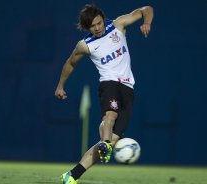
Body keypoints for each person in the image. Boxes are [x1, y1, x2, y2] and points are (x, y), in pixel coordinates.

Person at [54, 4, 154, 184]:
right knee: (110, 115)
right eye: (93, 26)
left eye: (99, 23)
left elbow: (146, 9)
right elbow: (70, 63)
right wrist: (60, 85)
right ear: (87, 27)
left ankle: (71, 175)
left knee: (112, 139)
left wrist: (147, 22)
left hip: (128, 88)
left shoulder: (118, 25)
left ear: (103, 18)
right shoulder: (85, 45)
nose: (97, 28)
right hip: (109, 83)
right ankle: (105, 143)